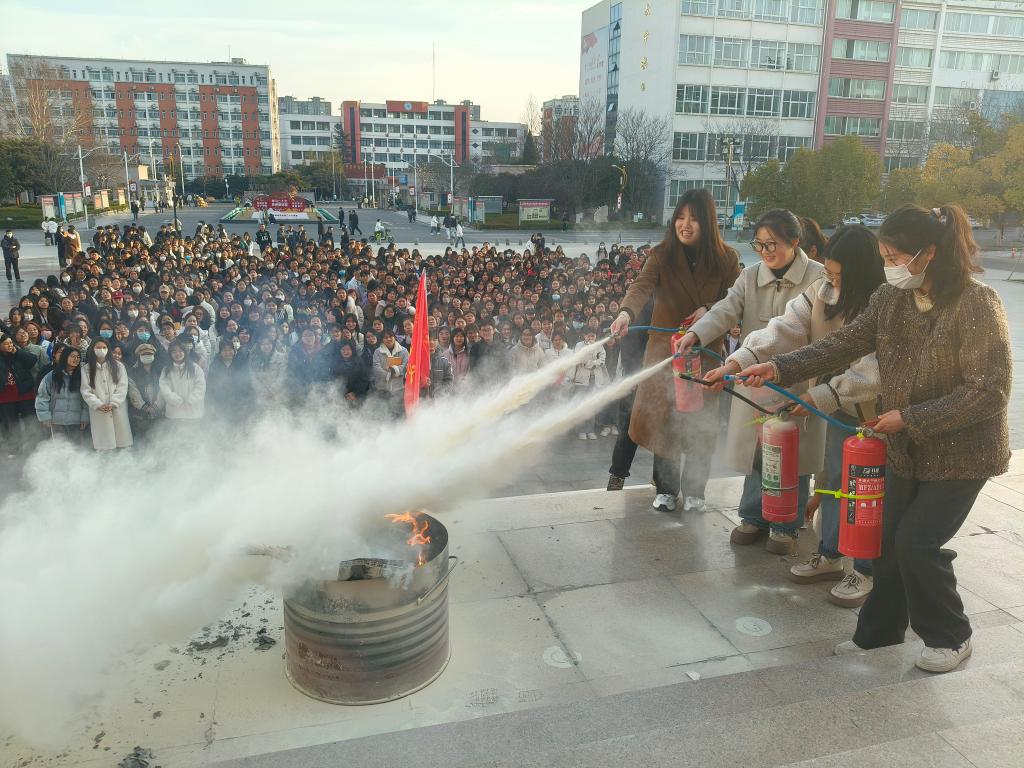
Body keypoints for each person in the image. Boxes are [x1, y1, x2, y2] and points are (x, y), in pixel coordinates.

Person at [737, 204, 1011, 674]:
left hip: (963, 453)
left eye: (895, 257)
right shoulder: (891, 299)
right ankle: (878, 635)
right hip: (907, 448)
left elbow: (990, 391)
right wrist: (778, 367)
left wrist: (909, 416)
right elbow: (842, 344)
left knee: (917, 543)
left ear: (929, 253)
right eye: (885, 257)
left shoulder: (977, 303)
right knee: (885, 542)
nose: (889, 266)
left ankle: (951, 635)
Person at [706, 224, 884, 607]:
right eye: (829, 273)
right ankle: (831, 554)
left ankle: (866, 570)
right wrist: (739, 361)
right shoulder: (822, 290)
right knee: (834, 481)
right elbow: (785, 329)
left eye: (838, 276)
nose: (831, 282)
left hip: (877, 418)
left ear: (861, 273)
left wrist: (819, 396)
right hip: (839, 410)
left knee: (866, 494)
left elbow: (871, 372)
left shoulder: (882, 304)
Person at [678, 209, 823, 550]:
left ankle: (786, 524)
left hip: (796, 378)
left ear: (795, 242)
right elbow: (726, 309)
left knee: (792, 454)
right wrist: (697, 333)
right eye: (759, 245)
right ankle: (753, 515)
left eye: (773, 244)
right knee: (755, 449)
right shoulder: (751, 275)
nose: (765, 252)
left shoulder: (817, 277)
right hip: (750, 375)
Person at [609, 189, 741, 512]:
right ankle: (666, 489)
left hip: (705, 353)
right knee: (665, 421)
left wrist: (709, 309)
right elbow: (641, 286)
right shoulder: (661, 255)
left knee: (700, 424)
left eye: (694, 218)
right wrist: (625, 313)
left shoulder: (727, 259)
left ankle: (695, 491)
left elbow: (736, 300)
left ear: (708, 222)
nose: (685, 225)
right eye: (680, 217)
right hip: (664, 353)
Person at [80, 338, 132, 451]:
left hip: (118, 409)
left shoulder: (119, 366)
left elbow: (123, 387)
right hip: (99, 412)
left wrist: (113, 403)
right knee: (105, 448)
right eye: (98, 347)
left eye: (104, 347)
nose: (101, 350)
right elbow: (86, 391)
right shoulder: (86, 369)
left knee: (122, 447)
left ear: (108, 349)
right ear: (92, 349)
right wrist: (98, 404)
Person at [36, 345, 88, 442]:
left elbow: (86, 399)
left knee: (77, 447)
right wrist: (45, 416)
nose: (76, 359)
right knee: (60, 447)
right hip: (56, 421)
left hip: (76, 421)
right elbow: (42, 397)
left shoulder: (83, 376)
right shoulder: (52, 376)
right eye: (72, 356)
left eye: (78, 357)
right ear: (65, 357)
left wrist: (85, 417)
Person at [0, 332, 38, 453]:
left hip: (25, 394)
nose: (10, 345)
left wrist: (17, 352)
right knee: (10, 425)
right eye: (6, 343)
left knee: (30, 421)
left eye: (11, 343)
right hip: (5, 397)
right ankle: (14, 450)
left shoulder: (17, 353)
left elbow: (32, 360)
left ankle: (34, 448)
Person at [572, 329, 609, 440]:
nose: (590, 338)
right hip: (582, 380)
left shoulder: (599, 345)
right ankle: (581, 430)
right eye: (588, 336)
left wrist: (591, 364)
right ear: (584, 335)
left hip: (595, 379)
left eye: (593, 336)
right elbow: (580, 359)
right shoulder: (579, 345)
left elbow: (602, 360)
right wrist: (592, 362)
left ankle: (590, 430)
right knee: (581, 405)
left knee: (591, 405)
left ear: (596, 336)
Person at [159, 338, 207, 423]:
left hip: (193, 413)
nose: (178, 354)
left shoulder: (195, 368)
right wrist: (177, 401)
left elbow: (200, 387)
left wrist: (190, 401)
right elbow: (164, 389)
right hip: (174, 413)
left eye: (180, 351)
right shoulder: (166, 370)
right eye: (174, 352)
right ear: (170, 354)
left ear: (185, 352)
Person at [373, 329, 408, 417]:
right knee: (384, 414)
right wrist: (388, 374)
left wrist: (393, 370)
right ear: (382, 340)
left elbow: (406, 366)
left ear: (394, 337)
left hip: (399, 388)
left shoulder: (403, 351)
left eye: (391, 336)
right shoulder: (377, 352)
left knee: (399, 413)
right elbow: (376, 367)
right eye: (385, 337)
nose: (388, 339)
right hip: (382, 388)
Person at [426, 331, 454, 398]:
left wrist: (440, 393)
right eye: (428, 339)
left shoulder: (444, 361)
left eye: (434, 340)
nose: (431, 342)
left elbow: (449, 380)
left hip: (439, 400)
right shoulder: (416, 362)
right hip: (421, 400)